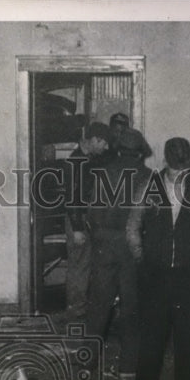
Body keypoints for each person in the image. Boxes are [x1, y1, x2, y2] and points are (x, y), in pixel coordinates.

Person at [127, 137, 190, 380]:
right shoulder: (148, 189)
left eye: (184, 168)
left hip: (188, 277)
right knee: (152, 332)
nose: (180, 174)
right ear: (166, 162)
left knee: (188, 337)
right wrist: (143, 260)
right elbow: (132, 227)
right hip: (154, 274)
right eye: (175, 168)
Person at [85, 128, 152, 379]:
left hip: (105, 243)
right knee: (131, 306)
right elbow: (152, 218)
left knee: (98, 304)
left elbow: (91, 213)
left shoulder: (104, 174)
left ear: (119, 149)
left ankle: (87, 360)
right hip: (134, 247)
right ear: (140, 153)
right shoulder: (148, 176)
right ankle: (128, 367)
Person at [63, 122, 111, 318]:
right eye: (104, 143)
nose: (106, 148)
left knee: (83, 264)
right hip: (78, 220)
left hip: (83, 219)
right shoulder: (77, 162)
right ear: (94, 140)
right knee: (79, 265)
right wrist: (77, 228)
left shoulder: (86, 159)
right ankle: (76, 310)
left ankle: (79, 307)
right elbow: (73, 197)